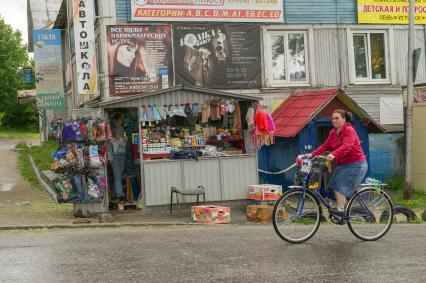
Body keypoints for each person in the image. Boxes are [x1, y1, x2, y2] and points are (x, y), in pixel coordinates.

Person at [306, 109, 368, 216]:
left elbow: (347, 146)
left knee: (339, 183)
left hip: (356, 164)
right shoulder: (333, 132)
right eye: (333, 118)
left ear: (344, 119)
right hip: (344, 164)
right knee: (333, 182)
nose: (334, 120)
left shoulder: (349, 130)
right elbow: (325, 146)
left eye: (337, 118)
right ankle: (344, 209)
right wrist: (312, 154)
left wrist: (334, 154)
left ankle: (341, 210)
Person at [111, 113, 127, 201]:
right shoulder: (112, 129)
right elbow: (109, 140)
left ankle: (114, 194)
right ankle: (120, 195)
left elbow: (125, 139)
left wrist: (125, 138)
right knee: (117, 176)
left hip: (122, 153)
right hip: (114, 154)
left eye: (120, 121)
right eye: (118, 121)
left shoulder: (123, 128)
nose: (119, 122)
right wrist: (114, 138)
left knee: (118, 175)